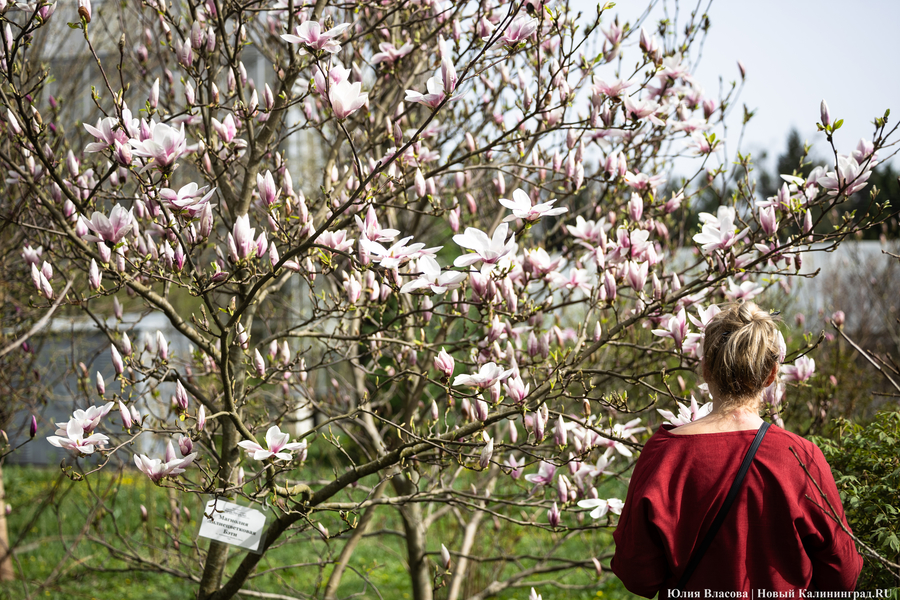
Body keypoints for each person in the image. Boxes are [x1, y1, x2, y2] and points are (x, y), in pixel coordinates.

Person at [611, 300, 862, 598]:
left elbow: (637, 575)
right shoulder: (800, 457)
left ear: (705, 369)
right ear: (771, 375)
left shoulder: (664, 455)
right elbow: (843, 575)